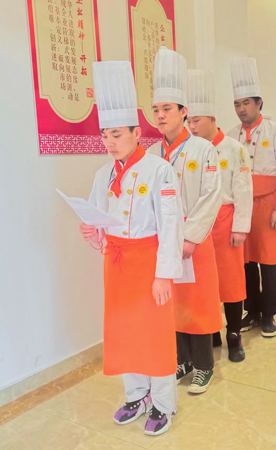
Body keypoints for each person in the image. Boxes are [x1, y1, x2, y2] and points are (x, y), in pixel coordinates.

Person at [80, 61, 184, 436]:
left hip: (148, 262)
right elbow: (101, 219)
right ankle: (136, 395)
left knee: (155, 333)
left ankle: (163, 404)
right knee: (125, 330)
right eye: (105, 135)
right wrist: (93, 232)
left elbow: (171, 225)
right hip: (117, 263)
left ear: (137, 133)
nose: (109, 142)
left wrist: (163, 275)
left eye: (116, 135)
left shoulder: (159, 170)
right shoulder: (103, 173)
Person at [147, 48, 223, 395]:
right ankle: (182, 360)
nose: (160, 115)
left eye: (167, 109)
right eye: (156, 110)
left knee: (198, 302)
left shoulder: (203, 149)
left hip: (195, 241)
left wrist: (190, 236)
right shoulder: (151, 154)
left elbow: (211, 195)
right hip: (165, 242)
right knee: (173, 302)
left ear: (183, 112)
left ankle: (204, 365)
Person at [186, 69, 253, 362]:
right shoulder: (190, 150)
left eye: (196, 120)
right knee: (204, 282)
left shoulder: (234, 149)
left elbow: (244, 190)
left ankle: (234, 335)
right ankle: (210, 330)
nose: (192, 126)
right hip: (199, 224)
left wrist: (240, 227)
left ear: (212, 119)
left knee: (231, 281)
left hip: (226, 222)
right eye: (188, 121)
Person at [227, 57, 276, 338]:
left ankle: (269, 314)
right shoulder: (231, 136)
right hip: (241, 206)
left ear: (259, 103)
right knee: (246, 262)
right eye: (237, 104)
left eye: (246, 103)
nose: (241, 109)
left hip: (268, 205)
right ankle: (252, 311)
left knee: (268, 262)